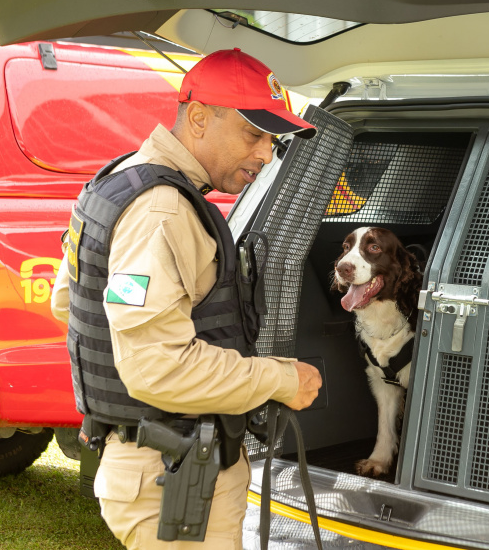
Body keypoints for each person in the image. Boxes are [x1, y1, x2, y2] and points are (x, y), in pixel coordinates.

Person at [50, 48, 323, 549]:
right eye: (253, 134)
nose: (265, 154)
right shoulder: (162, 210)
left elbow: (68, 302)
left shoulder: (122, 179)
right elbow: (158, 368)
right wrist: (281, 378)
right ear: (198, 118)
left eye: (272, 140)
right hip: (174, 476)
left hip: (161, 462)